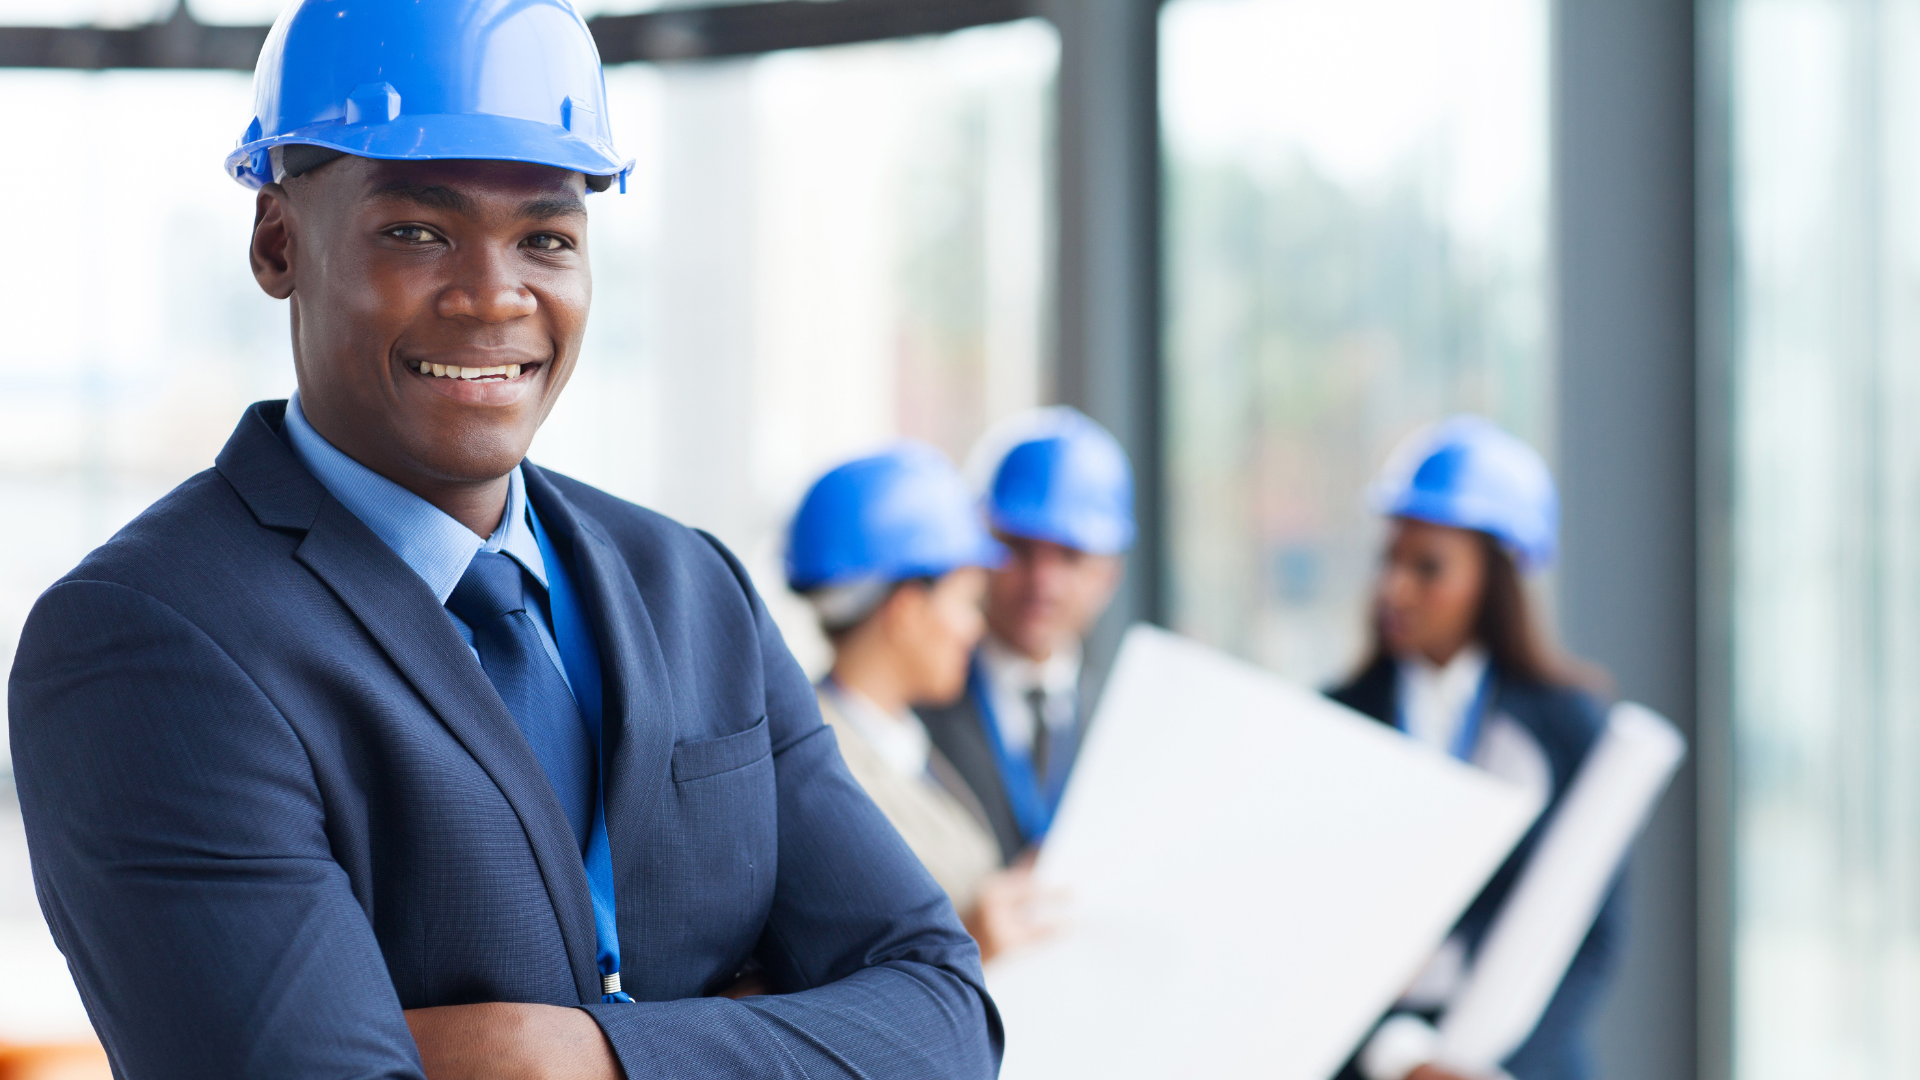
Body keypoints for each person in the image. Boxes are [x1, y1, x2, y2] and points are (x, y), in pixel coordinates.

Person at [5, 3, 999, 1077]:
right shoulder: (147, 643)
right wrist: (772, 1032)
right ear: (278, 240)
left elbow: (944, 1015)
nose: (494, 295)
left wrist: (569, 1058)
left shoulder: (695, 593)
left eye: (546, 237)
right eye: (416, 233)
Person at [1328, 417, 1617, 1080]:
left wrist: (1478, 1065)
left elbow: (1594, 940)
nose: (1395, 588)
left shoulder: (1571, 728)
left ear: (1498, 577)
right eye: (1389, 560)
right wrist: (1399, 1058)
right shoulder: (1337, 719)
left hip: (1523, 1064)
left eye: (1428, 568)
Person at [786, 443, 1057, 962]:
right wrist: (970, 945)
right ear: (908, 610)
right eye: (966, 603)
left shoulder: (896, 740)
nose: (975, 628)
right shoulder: (820, 766)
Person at [919, 408, 1133, 863]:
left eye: (1071, 556)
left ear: (1110, 575)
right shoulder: (910, 716)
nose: (1043, 581)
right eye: (1018, 547)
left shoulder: (1127, 728)